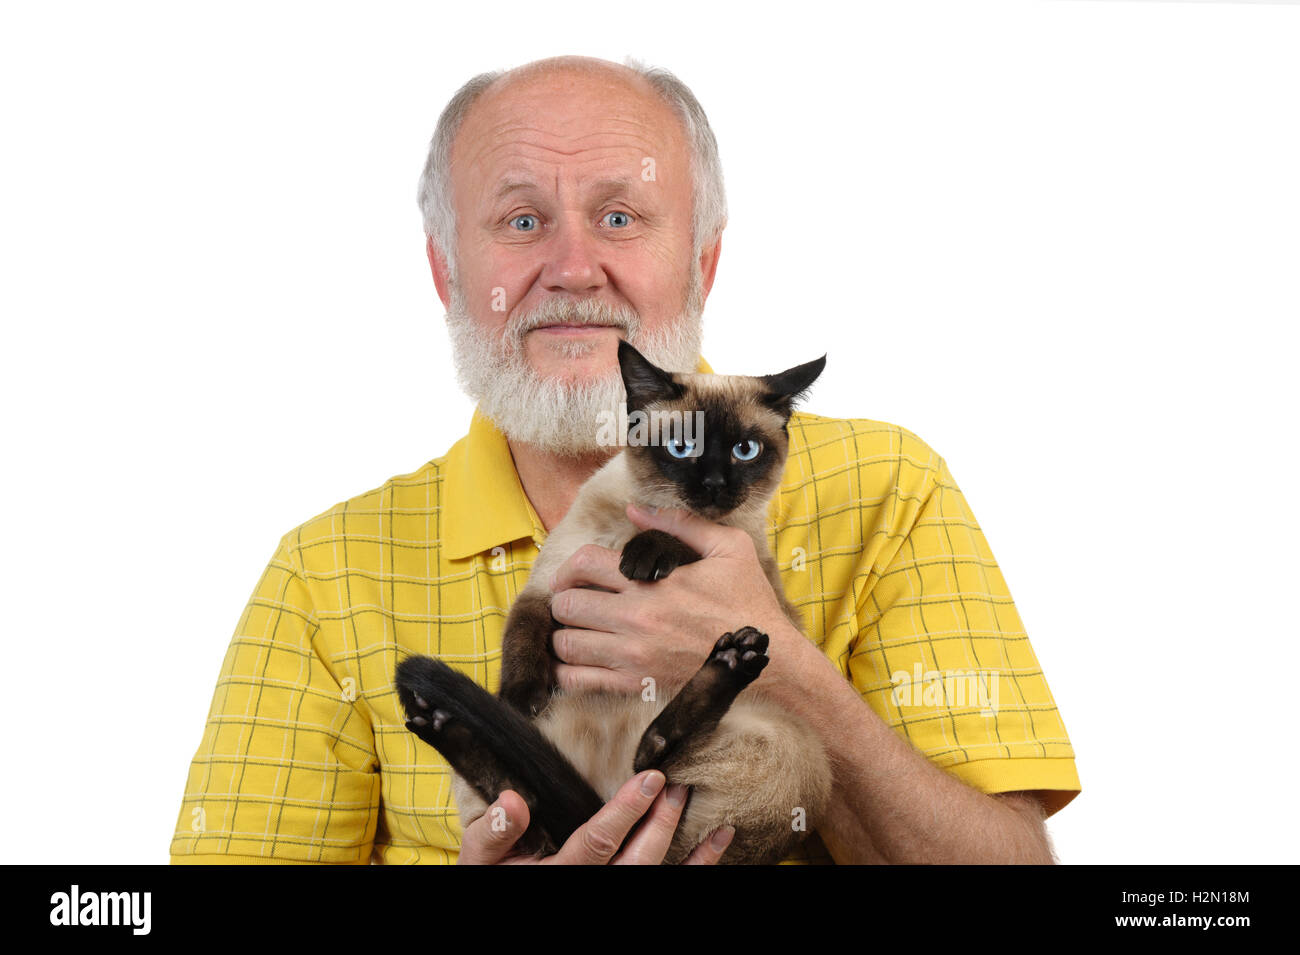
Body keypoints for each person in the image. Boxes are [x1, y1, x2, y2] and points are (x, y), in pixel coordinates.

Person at [170, 55, 1080, 865]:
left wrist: (792, 669)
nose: (573, 268)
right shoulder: (323, 573)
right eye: (522, 220)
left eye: (619, 215)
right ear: (448, 271)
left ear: (701, 264)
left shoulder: (889, 489)